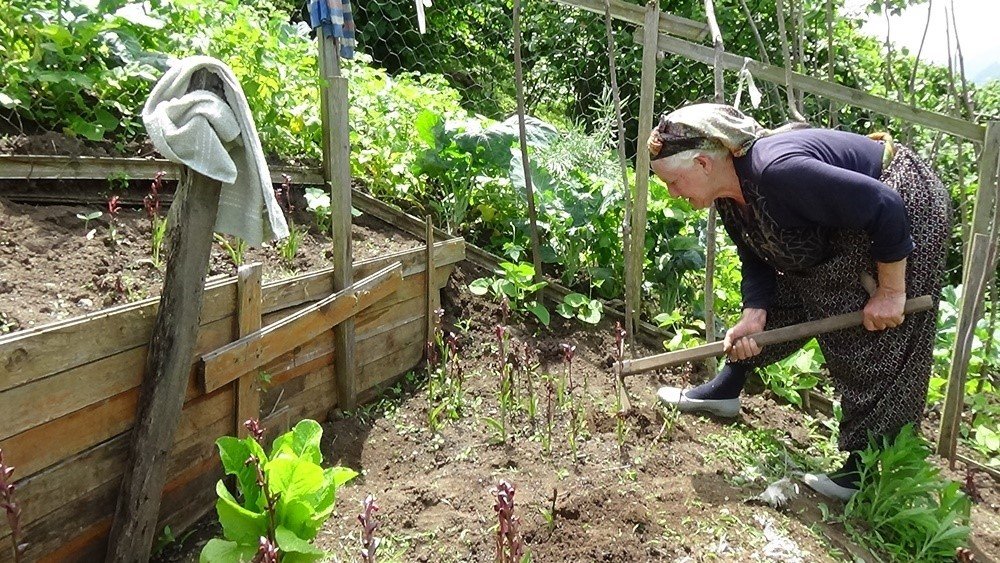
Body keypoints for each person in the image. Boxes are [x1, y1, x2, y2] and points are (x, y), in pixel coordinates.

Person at [648, 103, 951, 501]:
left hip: (902, 200)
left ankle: (865, 471)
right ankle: (726, 390)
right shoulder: (728, 193)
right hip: (860, 212)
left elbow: (884, 205)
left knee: (876, 330)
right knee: (797, 282)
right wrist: (753, 315)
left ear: (704, 163)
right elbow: (755, 253)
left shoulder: (777, 172)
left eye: (673, 181)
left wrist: (892, 292)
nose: (672, 192)